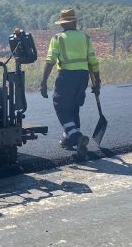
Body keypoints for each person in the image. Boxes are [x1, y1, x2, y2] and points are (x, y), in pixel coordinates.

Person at [40, 8, 101, 158]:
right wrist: (97, 80)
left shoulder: (58, 38)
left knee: (60, 105)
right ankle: (68, 140)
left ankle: (76, 137)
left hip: (66, 76)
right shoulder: (85, 38)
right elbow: (93, 61)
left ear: (62, 24)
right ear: (75, 22)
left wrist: (43, 81)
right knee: (73, 107)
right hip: (83, 77)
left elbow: (50, 61)